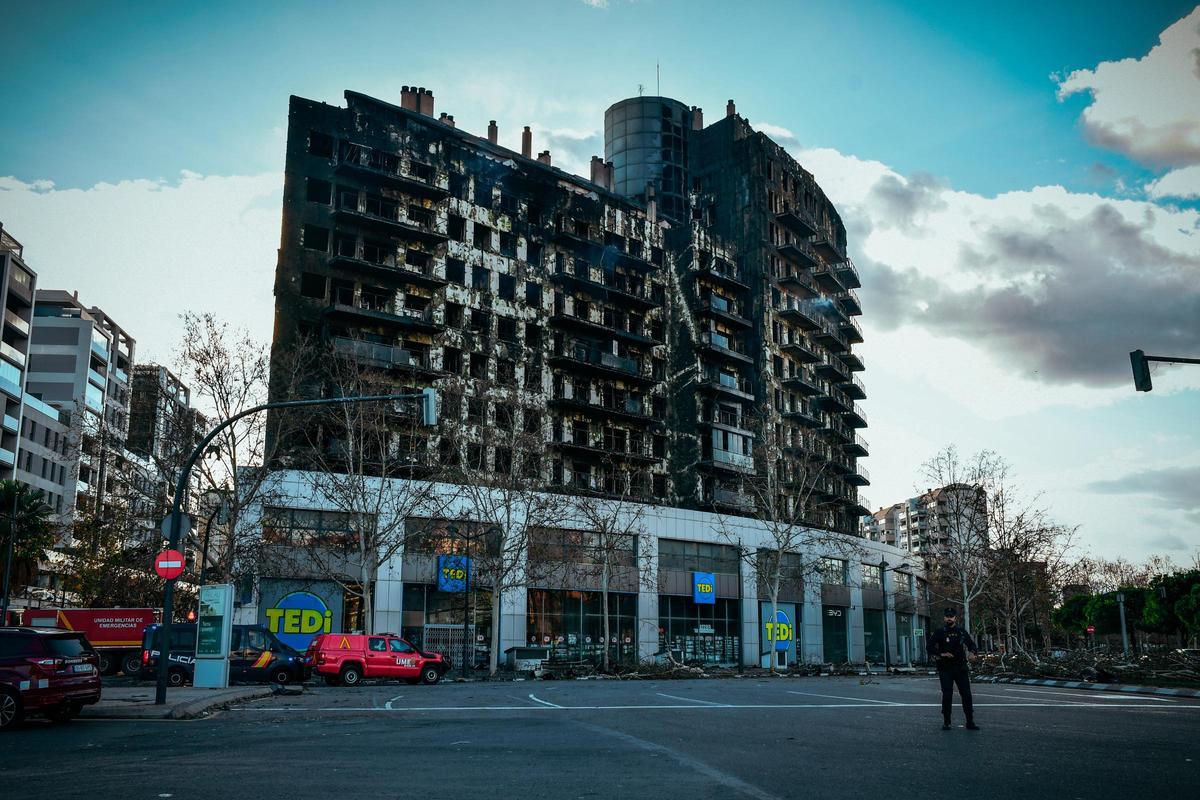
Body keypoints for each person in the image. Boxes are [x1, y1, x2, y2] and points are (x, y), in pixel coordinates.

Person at [927, 607, 979, 730]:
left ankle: (970, 722)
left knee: (966, 694)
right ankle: (947, 722)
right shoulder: (940, 632)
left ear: (955, 618)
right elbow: (929, 646)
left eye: (951, 616)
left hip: (960, 667)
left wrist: (972, 653)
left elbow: (972, 644)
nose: (949, 618)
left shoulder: (961, 632)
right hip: (945, 668)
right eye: (947, 616)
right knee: (947, 695)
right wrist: (941, 654)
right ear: (944, 618)